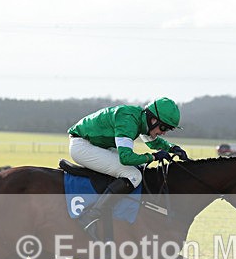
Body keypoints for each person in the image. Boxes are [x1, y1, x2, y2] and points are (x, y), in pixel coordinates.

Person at [68, 97, 188, 240]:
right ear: (153, 120)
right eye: (163, 128)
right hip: (82, 147)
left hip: (93, 144)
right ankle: (91, 216)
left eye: (168, 129)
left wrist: (172, 148)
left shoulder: (140, 118)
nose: (164, 132)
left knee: (141, 167)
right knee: (133, 175)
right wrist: (154, 157)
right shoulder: (128, 120)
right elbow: (126, 158)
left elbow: (152, 142)